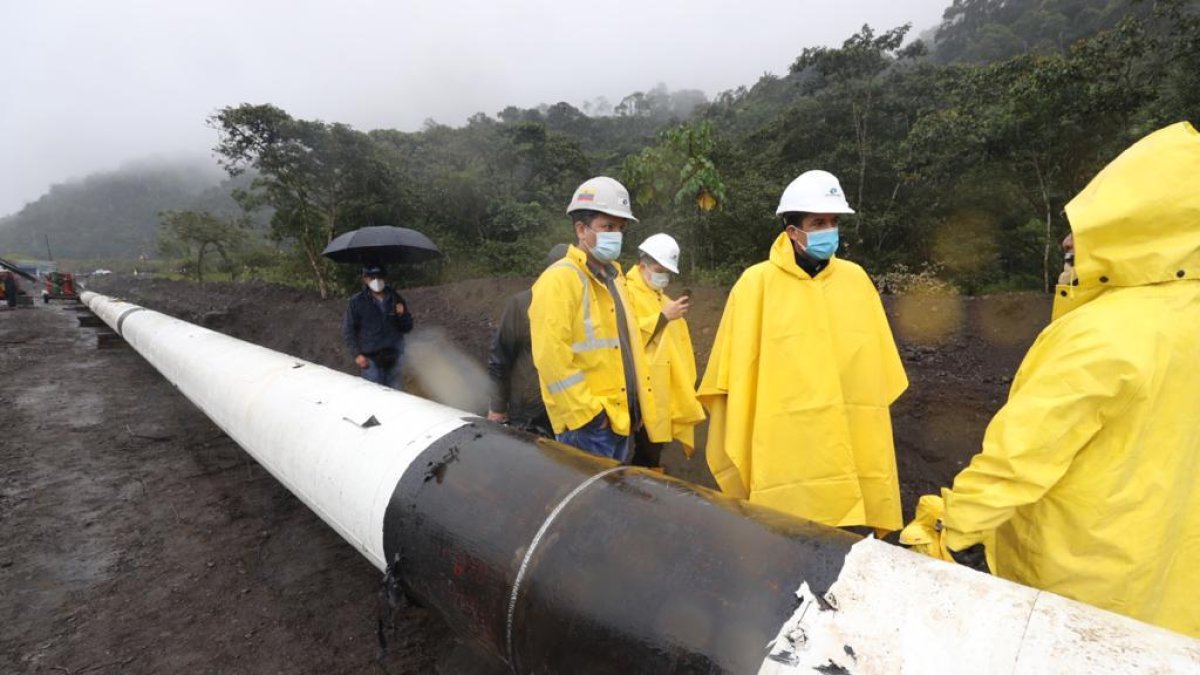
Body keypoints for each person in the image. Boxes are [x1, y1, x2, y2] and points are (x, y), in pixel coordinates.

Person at [934, 122, 1200, 638]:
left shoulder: (1103, 335)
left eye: (1090, 226)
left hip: (1083, 596)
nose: (1068, 239)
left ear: (1141, 229)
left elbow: (1020, 458)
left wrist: (945, 530)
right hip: (1175, 600)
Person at [698, 170, 908, 536]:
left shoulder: (856, 280)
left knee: (849, 549)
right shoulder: (756, 284)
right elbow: (730, 378)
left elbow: (879, 369)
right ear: (791, 231)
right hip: (784, 446)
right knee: (786, 537)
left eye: (833, 222)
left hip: (849, 437)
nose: (829, 230)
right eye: (817, 222)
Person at [529, 177, 667, 461]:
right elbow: (551, 357)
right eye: (607, 227)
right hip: (589, 427)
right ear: (581, 229)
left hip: (619, 420)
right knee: (591, 503)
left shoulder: (614, 280)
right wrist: (589, 415)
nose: (615, 235)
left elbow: (625, 349)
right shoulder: (559, 280)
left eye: (620, 228)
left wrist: (635, 405)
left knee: (612, 500)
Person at [623, 233, 705, 469]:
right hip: (638, 389)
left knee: (655, 447)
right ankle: (637, 491)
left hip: (661, 390)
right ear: (642, 266)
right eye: (659, 269)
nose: (663, 277)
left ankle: (648, 485)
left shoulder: (663, 299)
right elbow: (626, 339)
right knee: (643, 449)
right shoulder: (626, 294)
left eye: (666, 272)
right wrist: (662, 318)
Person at [486, 244, 570, 436]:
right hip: (531, 409)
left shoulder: (586, 305)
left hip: (571, 407)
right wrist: (498, 406)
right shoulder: (523, 304)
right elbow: (500, 356)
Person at [342, 264, 413, 390]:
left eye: (380, 277)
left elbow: (407, 327)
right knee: (374, 396)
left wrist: (402, 315)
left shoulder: (395, 298)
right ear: (365, 279)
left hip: (395, 356)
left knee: (397, 396)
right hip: (370, 360)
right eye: (372, 277)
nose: (377, 281)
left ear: (385, 278)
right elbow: (349, 330)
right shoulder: (357, 302)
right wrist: (357, 354)